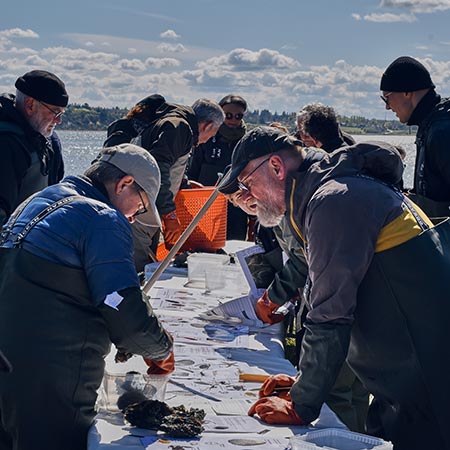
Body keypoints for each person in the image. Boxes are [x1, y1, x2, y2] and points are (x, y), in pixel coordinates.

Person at [224, 126, 450, 449]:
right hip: (409, 374)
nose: (247, 197)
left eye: (247, 184)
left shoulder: (333, 201)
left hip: (427, 382)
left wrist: (300, 404)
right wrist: (305, 382)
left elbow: (330, 313)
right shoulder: (333, 189)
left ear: (275, 167)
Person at [0, 143, 174, 450]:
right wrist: (160, 347)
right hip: (52, 378)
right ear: (124, 184)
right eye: (141, 207)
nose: (134, 218)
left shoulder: (38, 199)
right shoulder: (103, 218)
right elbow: (121, 306)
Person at [107, 96, 224, 272]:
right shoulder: (180, 128)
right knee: (138, 269)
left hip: (143, 208)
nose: (207, 140)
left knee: (148, 265)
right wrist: (169, 215)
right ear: (207, 126)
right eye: (212, 134)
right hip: (137, 210)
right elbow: (158, 169)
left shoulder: (174, 124)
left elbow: (167, 163)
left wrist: (184, 183)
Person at [380, 55, 450, 218]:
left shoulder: (442, 131)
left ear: (406, 92)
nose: (387, 107)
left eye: (387, 98)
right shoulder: (431, 124)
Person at [0, 70, 69, 227]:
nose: (58, 121)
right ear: (30, 105)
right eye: (55, 112)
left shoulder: (52, 142)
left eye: (62, 113)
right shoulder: (6, 144)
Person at [187, 94, 251, 240]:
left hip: (236, 207)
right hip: (206, 203)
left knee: (234, 248)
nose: (233, 120)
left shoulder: (247, 142)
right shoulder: (207, 138)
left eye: (238, 116)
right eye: (228, 115)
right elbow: (193, 170)